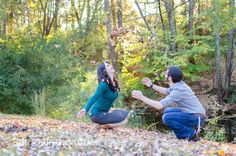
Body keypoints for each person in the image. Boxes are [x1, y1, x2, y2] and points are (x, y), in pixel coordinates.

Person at [132, 66, 206, 141]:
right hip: (193, 112)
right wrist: (151, 85)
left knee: (167, 117)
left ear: (170, 78)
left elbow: (159, 106)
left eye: (166, 73)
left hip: (196, 117)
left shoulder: (179, 90)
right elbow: (166, 91)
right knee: (167, 110)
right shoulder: (178, 84)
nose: (164, 74)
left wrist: (141, 97)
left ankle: (191, 135)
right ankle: (188, 131)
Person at [76, 61, 129, 128]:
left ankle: (102, 124)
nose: (111, 65)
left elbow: (108, 99)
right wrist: (85, 109)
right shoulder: (103, 84)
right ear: (105, 71)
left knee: (127, 114)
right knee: (124, 121)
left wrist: (111, 109)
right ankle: (101, 126)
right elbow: (94, 97)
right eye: (108, 65)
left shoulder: (113, 84)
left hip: (105, 112)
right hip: (96, 114)